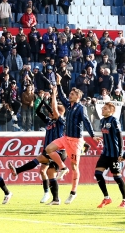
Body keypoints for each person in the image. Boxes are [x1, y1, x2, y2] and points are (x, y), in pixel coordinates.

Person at [7, 85, 66, 204]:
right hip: (49, 150)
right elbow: (38, 111)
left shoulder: (61, 121)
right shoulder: (50, 121)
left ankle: (17, 171)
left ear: (59, 112)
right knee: (49, 174)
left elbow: (53, 110)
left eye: (52, 112)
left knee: (39, 161)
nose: (49, 114)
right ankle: (55, 199)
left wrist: (53, 96)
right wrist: (43, 100)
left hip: (57, 151)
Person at [44, 73, 96, 204]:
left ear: (78, 97)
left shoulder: (81, 108)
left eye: (72, 94)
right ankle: (62, 167)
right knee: (49, 149)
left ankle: (73, 192)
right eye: (70, 93)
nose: (70, 95)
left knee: (74, 167)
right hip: (65, 138)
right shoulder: (69, 106)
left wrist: (93, 135)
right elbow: (61, 96)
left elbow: (86, 121)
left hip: (76, 141)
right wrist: (59, 83)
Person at [94, 102, 125, 208]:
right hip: (106, 153)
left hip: (114, 154)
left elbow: (119, 135)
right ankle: (107, 198)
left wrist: (120, 153)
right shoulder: (102, 121)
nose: (102, 110)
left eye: (105, 108)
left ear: (111, 111)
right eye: (102, 108)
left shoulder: (114, 120)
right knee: (98, 174)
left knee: (117, 177)